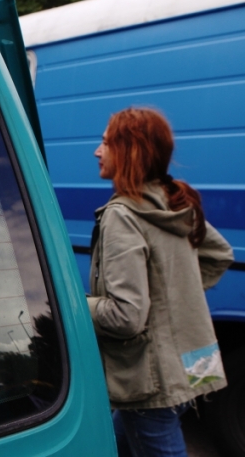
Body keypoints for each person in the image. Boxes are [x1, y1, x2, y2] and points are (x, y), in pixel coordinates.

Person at [87, 107, 233, 456]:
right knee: (110, 442)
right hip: (191, 364)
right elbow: (219, 254)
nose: (96, 151)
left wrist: (72, 305)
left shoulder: (122, 215)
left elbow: (125, 317)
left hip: (151, 378)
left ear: (129, 151)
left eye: (106, 143)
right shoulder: (173, 200)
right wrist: (175, 300)